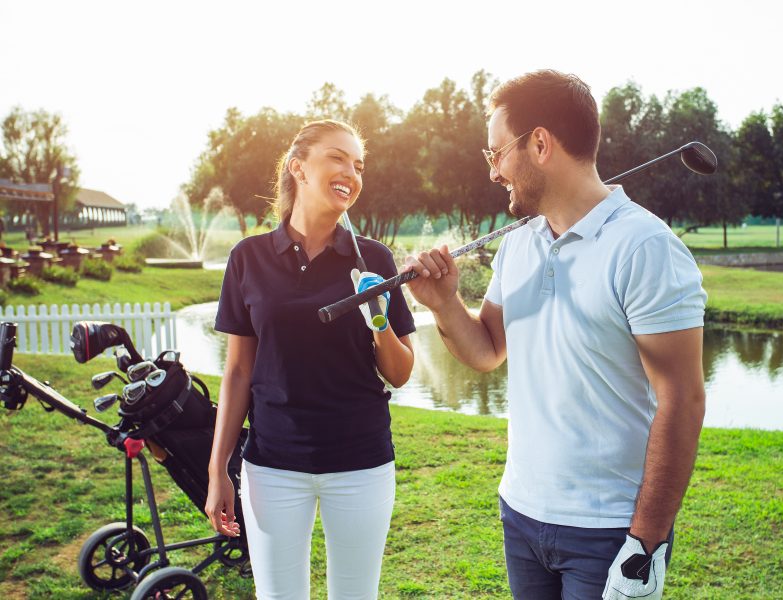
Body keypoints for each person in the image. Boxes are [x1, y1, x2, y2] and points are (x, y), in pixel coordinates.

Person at [404, 70, 707, 599]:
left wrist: (647, 541)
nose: (494, 171)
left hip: (610, 531)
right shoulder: (520, 243)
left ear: (540, 143)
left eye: (496, 153)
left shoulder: (645, 248)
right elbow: (487, 351)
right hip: (521, 513)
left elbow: (682, 400)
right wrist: (445, 303)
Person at [206, 120, 416, 600]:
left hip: (361, 464)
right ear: (298, 168)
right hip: (272, 467)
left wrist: (377, 319)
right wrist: (219, 468)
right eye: (337, 158)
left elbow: (401, 373)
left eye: (359, 165)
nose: (351, 173)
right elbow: (238, 371)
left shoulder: (375, 261)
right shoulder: (248, 258)